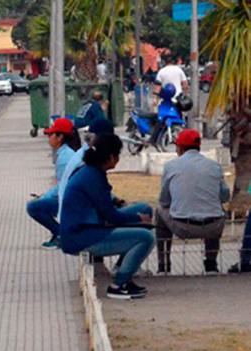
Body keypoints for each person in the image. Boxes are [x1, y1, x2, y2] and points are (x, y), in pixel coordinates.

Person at [60, 134, 155, 299]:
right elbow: (112, 217)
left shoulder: (90, 170)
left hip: (93, 223)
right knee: (146, 237)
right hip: (83, 235)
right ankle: (119, 284)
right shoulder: (92, 177)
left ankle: (122, 266)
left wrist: (139, 217)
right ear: (111, 156)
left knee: (144, 209)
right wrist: (138, 220)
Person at [154, 129, 230, 273]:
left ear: (180, 148)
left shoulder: (171, 166)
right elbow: (225, 196)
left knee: (159, 211)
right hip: (212, 227)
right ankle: (211, 263)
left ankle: (163, 264)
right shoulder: (214, 166)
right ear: (199, 146)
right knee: (216, 210)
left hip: (182, 226)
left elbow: (164, 201)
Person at [27, 117, 81, 248]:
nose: (48, 137)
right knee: (40, 203)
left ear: (60, 137)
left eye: (51, 134)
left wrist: (46, 197)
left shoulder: (64, 157)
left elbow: (63, 186)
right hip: (74, 197)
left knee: (33, 207)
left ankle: (61, 234)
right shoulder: (67, 152)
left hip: (73, 201)